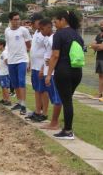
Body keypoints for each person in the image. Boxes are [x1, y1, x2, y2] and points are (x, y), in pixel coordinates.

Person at [45, 10, 84, 140]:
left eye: (56, 21)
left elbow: (55, 55)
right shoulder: (77, 35)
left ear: (63, 20)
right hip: (77, 72)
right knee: (68, 100)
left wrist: (49, 74)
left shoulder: (59, 34)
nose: (55, 24)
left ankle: (68, 131)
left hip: (63, 71)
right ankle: (66, 128)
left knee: (66, 101)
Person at [5, 11, 32, 115]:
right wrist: (7, 56)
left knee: (21, 81)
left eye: (18, 19)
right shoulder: (7, 30)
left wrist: (28, 60)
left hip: (22, 60)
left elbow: (29, 46)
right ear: (10, 20)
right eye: (15, 19)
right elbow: (7, 44)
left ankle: (24, 105)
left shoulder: (24, 30)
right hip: (11, 60)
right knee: (14, 82)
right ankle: (19, 102)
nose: (17, 21)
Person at [39, 18, 62, 130]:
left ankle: (54, 123)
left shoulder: (53, 38)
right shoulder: (48, 39)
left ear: (48, 27)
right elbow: (47, 56)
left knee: (57, 98)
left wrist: (48, 73)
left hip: (52, 73)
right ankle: (53, 122)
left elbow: (55, 56)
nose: (40, 32)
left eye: (41, 29)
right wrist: (43, 69)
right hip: (48, 71)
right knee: (54, 98)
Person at [27, 13, 49, 122]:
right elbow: (33, 50)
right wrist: (30, 63)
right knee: (36, 89)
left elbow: (48, 52)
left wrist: (43, 68)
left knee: (44, 90)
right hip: (35, 66)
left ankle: (44, 113)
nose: (31, 24)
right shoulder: (36, 32)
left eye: (33, 22)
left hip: (42, 67)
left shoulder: (45, 34)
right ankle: (37, 111)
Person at [0, 39, 12, 106]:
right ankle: (4, 99)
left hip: (5, 73)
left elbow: (7, 62)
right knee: (3, 86)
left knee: (5, 87)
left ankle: (8, 100)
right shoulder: (2, 52)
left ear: (2, 45)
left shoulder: (5, 53)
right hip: (2, 73)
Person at [90, 21, 103, 101]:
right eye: (101, 25)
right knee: (100, 77)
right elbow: (92, 45)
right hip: (98, 58)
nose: (101, 26)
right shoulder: (98, 35)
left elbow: (101, 48)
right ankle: (100, 94)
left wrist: (97, 46)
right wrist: (98, 46)